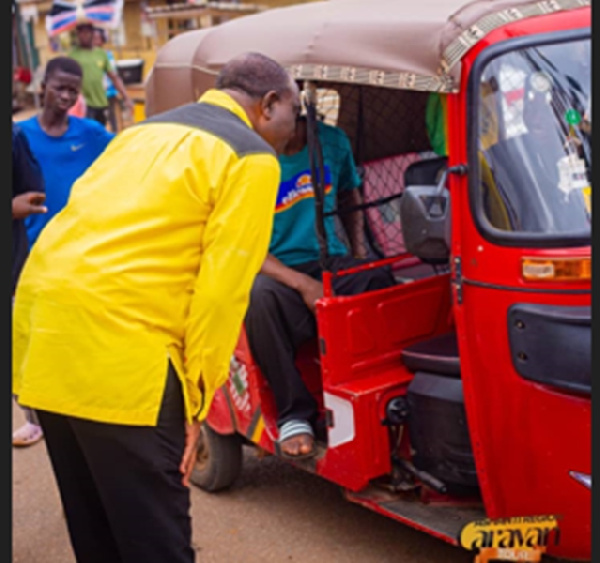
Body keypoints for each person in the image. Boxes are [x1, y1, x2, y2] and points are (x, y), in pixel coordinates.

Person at [12, 52, 299, 563]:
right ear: (269, 103)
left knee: (95, 530)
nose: (293, 131)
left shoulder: (140, 133)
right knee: (154, 544)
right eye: (293, 115)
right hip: (124, 361)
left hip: (48, 344)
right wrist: (197, 405)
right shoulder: (250, 157)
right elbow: (221, 294)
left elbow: (73, 228)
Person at [244, 114, 395, 459]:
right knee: (259, 298)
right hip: (276, 270)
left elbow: (349, 194)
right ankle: (294, 413)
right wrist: (303, 285)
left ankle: (374, 391)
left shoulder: (332, 142)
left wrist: (358, 251)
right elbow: (247, 245)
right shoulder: (247, 157)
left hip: (329, 259)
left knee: (378, 280)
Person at [19, 57, 115, 249]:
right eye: (59, 88)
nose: (65, 96)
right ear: (44, 86)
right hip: (33, 248)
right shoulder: (20, 135)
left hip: (78, 247)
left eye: (73, 91)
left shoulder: (92, 134)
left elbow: (128, 150)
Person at [11, 122, 47, 448]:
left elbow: (32, 197)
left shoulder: (12, 137)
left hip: (11, 269)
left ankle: (37, 418)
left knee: (19, 347)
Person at [68, 21, 134, 126]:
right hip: (83, 104)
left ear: (92, 33)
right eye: (80, 33)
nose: (83, 35)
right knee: (87, 133)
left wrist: (126, 97)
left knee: (100, 131)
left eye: (86, 32)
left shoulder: (101, 54)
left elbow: (114, 77)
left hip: (101, 102)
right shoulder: (72, 55)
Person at [93, 27, 120, 133]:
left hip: (109, 92)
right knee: (98, 119)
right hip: (95, 93)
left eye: (97, 38)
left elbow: (112, 72)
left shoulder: (107, 54)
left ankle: (114, 136)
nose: (95, 41)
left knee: (111, 116)